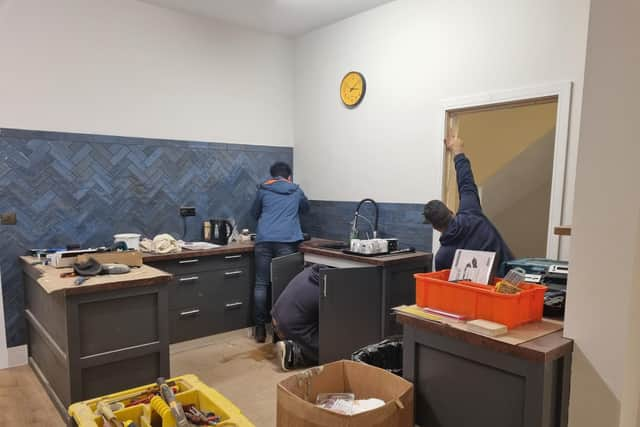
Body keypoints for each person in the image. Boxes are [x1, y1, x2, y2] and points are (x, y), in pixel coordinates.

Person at [423, 134, 514, 271]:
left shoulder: (443, 257)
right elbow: (466, 182)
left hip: (478, 292)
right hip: (509, 286)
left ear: (435, 227)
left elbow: (447, 287)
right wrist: (457, 150)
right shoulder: (471, 212)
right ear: (451, 212)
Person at [251, 161, 310, 343]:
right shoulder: (296, 190)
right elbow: (306, 209)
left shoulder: (263, 190)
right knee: (284, 285)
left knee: (261, 284)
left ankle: (260, 329)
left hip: (263, 240)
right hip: (287, 240)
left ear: (272, 176)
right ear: (289, 176)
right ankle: (282, 328)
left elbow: (254, 213)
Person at [272, 264, 321, 371]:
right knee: (333, 347)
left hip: (275, 317)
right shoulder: (326, 287)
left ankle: (292, 343)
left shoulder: (309, 271)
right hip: (288, 327)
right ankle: (294, 352)